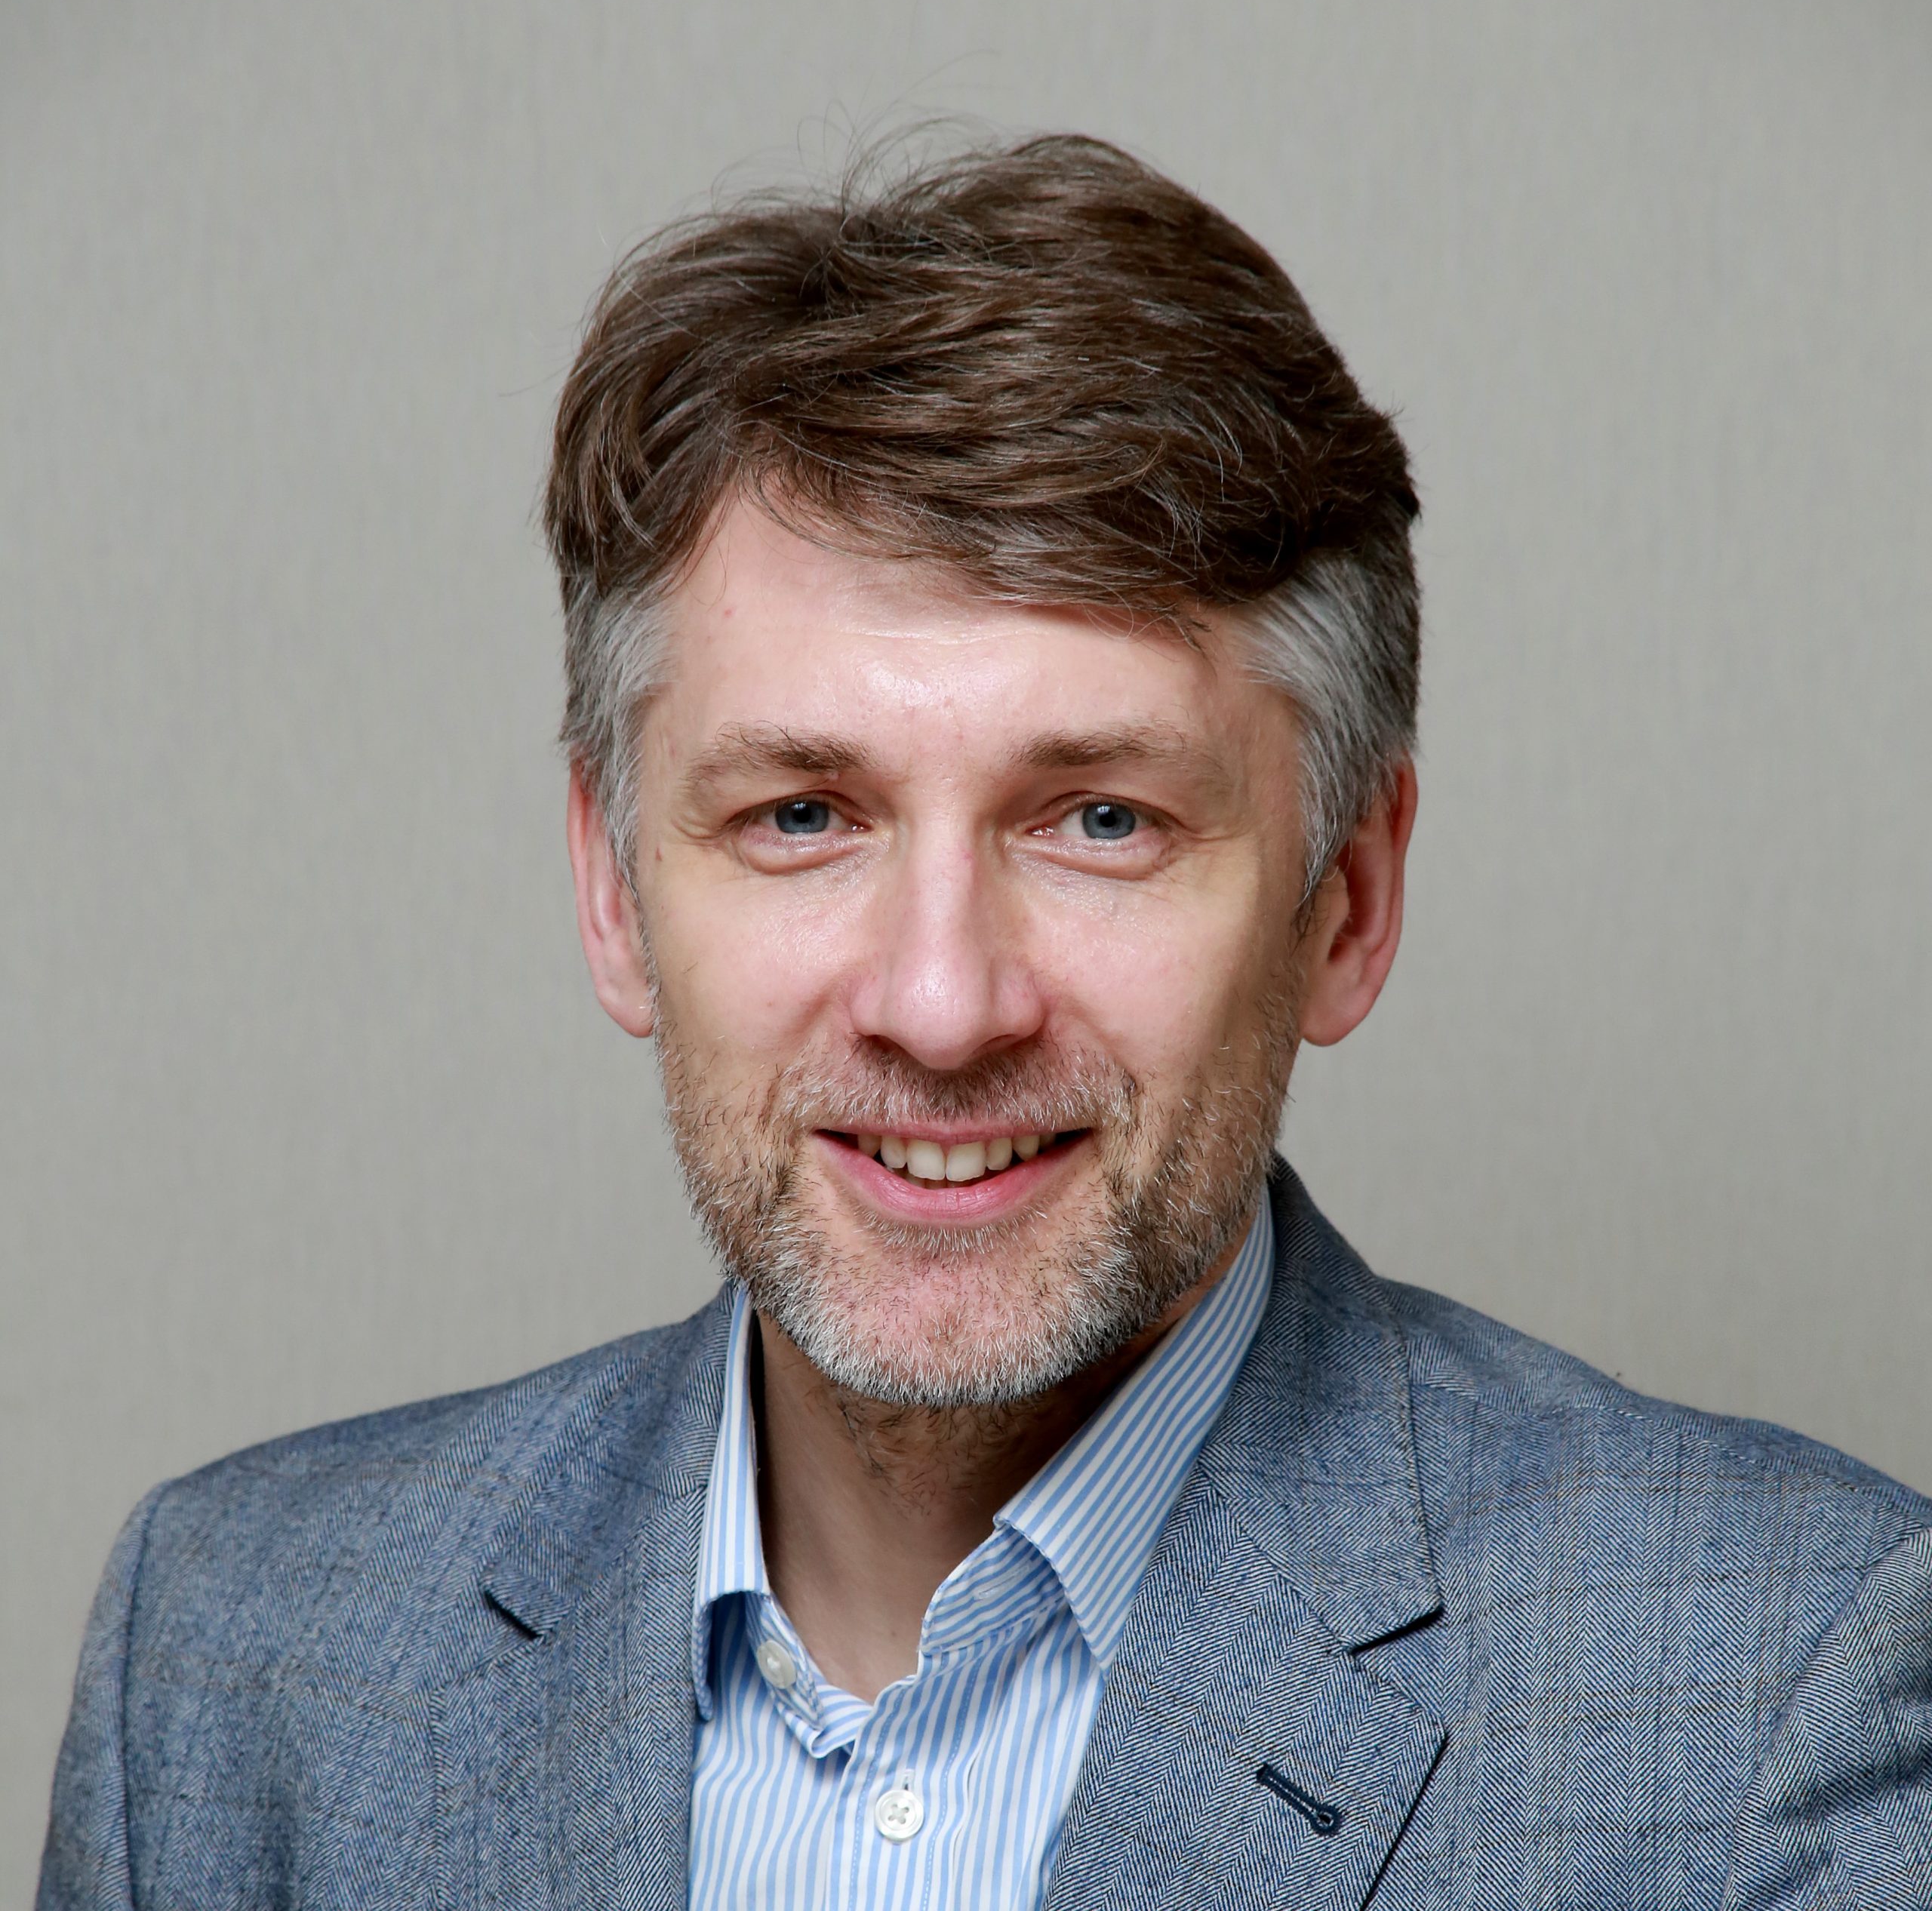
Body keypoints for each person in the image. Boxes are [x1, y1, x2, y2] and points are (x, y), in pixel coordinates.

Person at [38, 134, 1932, 1911]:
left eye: (1099, 818)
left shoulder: (1770, 1695)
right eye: (802, 814)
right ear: (614, 892)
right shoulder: (231, 1664)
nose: (941, 1006)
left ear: (1345, 902)